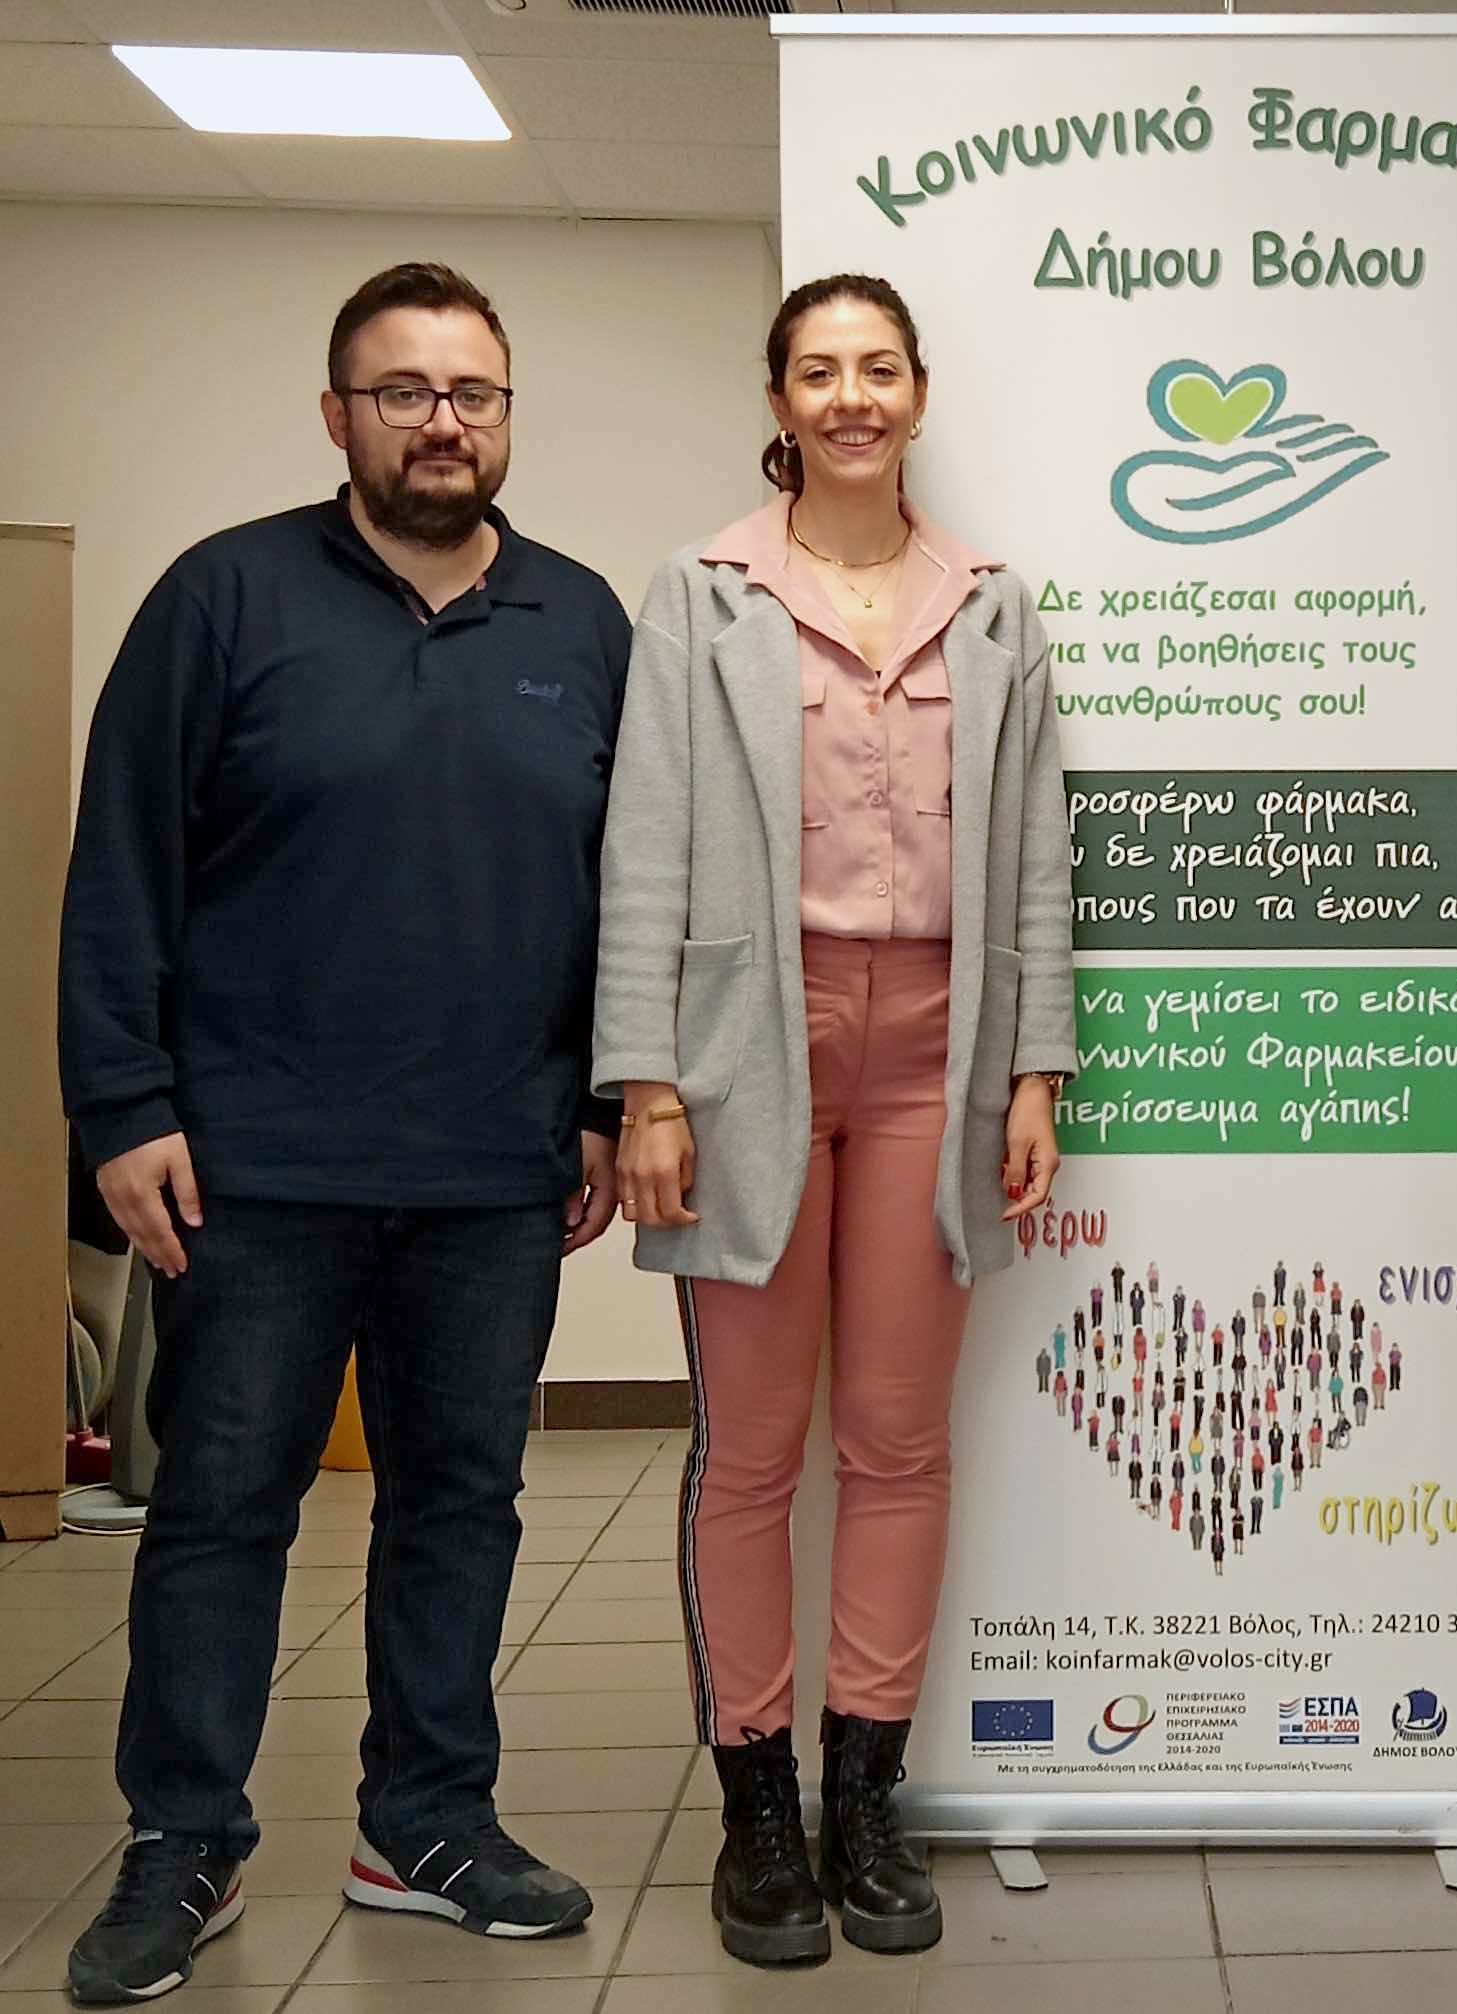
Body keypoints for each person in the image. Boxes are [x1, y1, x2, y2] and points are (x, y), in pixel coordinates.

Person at [56, 262, 623, 2002]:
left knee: (460, 1503)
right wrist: (122, 1105)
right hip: (257, 1166)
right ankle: (186, 1837)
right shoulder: (222, 598)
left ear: (507, 415)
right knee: (223, 1507)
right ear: (338, 416)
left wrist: (609, 1097)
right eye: (404, 391)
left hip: (494, 1167)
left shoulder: (582, 622)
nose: (443, 421)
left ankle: (425, 1823)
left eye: (474, 392)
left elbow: (634, 883)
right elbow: (120, 863)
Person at [593, 273, 1076, 1966]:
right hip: (750, 1049)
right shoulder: (704, 592)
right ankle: (756, 1806)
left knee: (896, 1437)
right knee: (751, 1446)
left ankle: (866, 1793)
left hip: (942, 1046)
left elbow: (1037, 850)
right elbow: (645, 840)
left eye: (879, 368)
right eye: (820, 370)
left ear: (918, 394)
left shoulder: (994, 606)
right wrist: (646, 1082)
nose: (851, 395)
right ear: (782, 400)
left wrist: (1036, 1066)